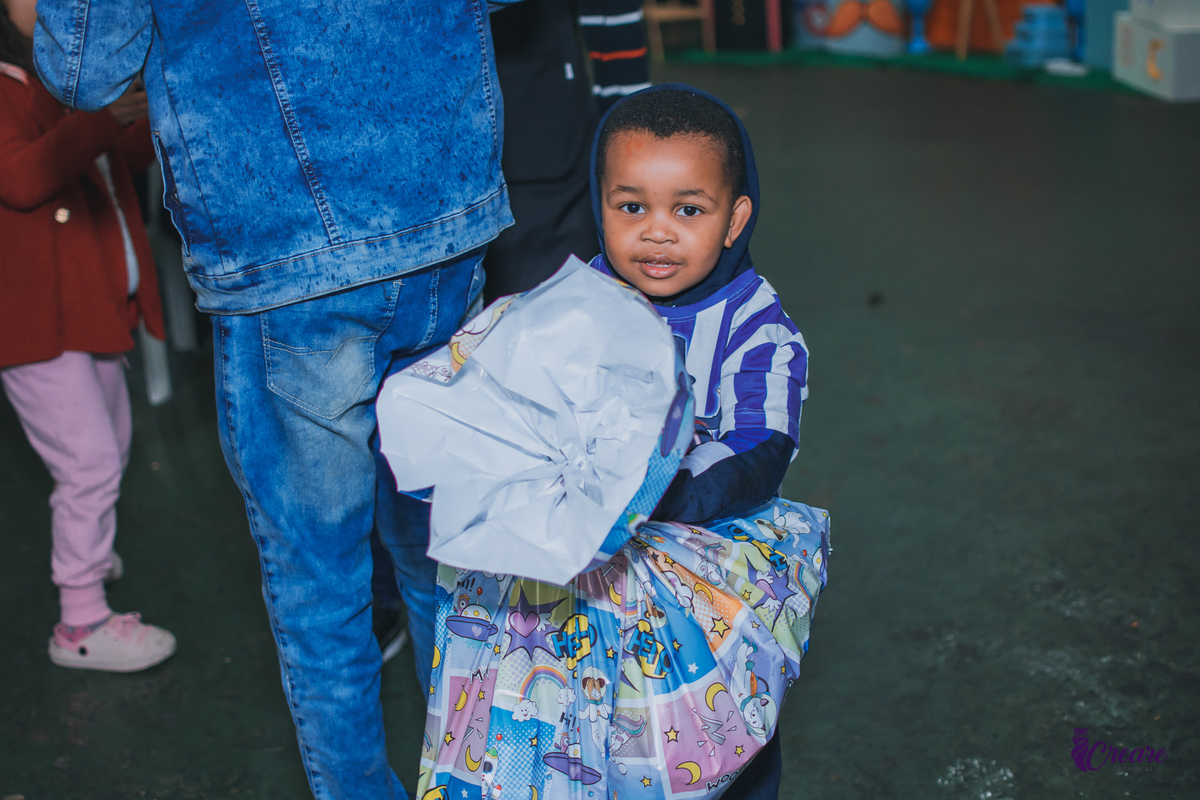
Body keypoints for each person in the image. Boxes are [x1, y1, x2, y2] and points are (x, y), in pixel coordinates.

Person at [34, 2, 516, 798]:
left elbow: (87, 67)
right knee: (447, 555)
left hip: (289, 253)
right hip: (442, 214)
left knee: (321, 589)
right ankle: (478, 780)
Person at [587, 84, 808, 798]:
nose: (656, 232)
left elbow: (758, 445)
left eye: (687, 210)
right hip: (594, 570)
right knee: (602, 728)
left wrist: (665, 490)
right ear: (600, 208)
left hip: (711, 579)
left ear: (735, 218)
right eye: (631, 207)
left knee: (720, 739)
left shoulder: (757, 328)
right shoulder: (580, 302)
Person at [0, 0, 175, 672]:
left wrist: (138, 114)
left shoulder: (66, 82)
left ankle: (88, 551)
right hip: (38, 326)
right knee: (90, 462)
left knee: (112, 446)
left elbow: (123, 157)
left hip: (96, 310)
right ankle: (79, 620)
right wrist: (103, 121)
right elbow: (20, 179)